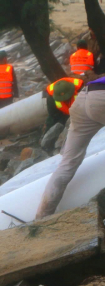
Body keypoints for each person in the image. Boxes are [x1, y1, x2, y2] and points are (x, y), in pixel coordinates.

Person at [36, 76, 105, 218]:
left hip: (82, 100)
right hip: (101, 98)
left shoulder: (54, 96)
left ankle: (42, 216)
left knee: (67, 164)